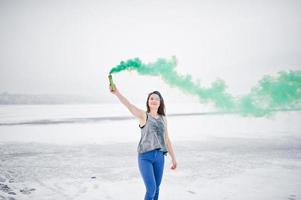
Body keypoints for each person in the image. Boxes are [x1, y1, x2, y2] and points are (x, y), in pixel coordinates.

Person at [109, 85, 177, 200]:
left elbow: (166, 139)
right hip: (145, 157)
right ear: (148, 102)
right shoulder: (143, 115)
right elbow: (129, 105)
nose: (154, 100)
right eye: (151, 98)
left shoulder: (163, 118)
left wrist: (173, 158)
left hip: (160, 157)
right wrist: (117, 93)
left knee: (157, 189)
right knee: (151, 189)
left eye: (156, 98)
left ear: (160, 103)